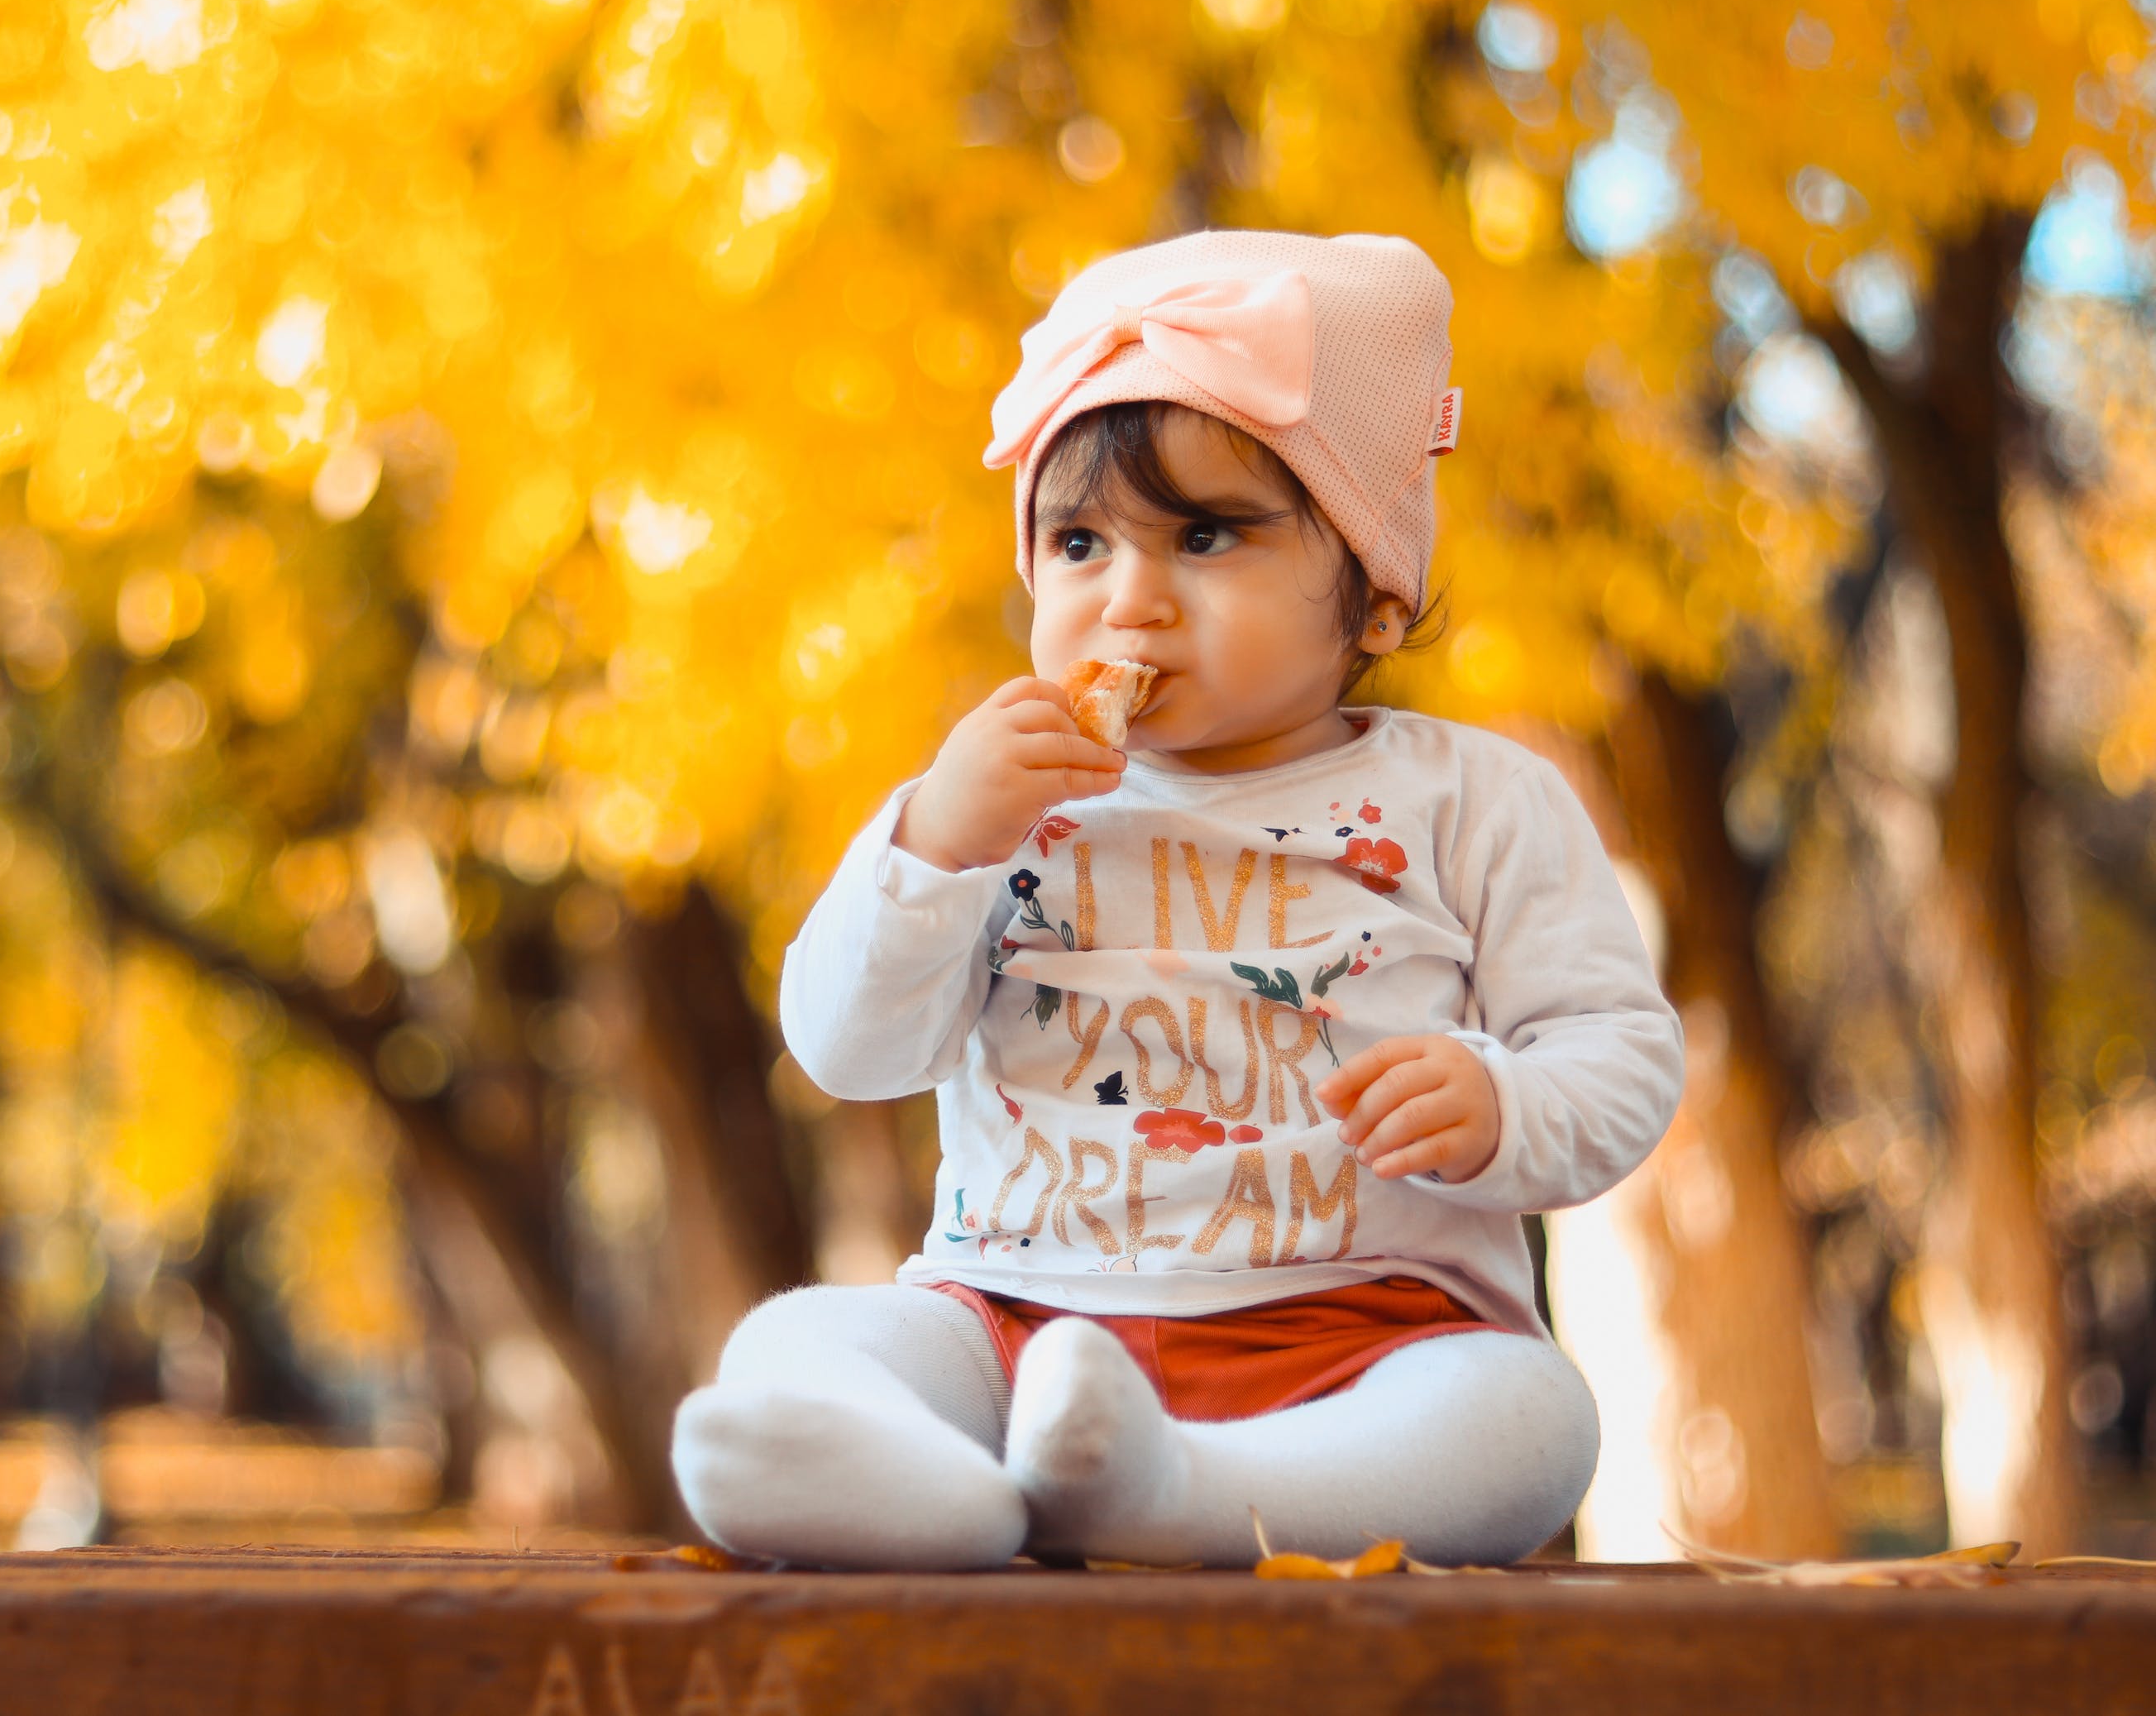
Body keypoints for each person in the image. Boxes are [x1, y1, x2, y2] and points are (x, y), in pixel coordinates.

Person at [672, 230, 1684, 1570]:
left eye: (1205, 536)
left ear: (1375, 594)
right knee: (797, 1336)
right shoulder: (992, 801)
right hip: (1013, 1322)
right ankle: (942, 1498)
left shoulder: (1474, 800)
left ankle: (1184, 1489)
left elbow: (1620, 1054)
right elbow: (848, 1049)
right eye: (1079, 541)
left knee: (1530, 1419)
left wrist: (1503, 1100)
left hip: (1362, 1331)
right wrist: (932, 844)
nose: (1130, 601)